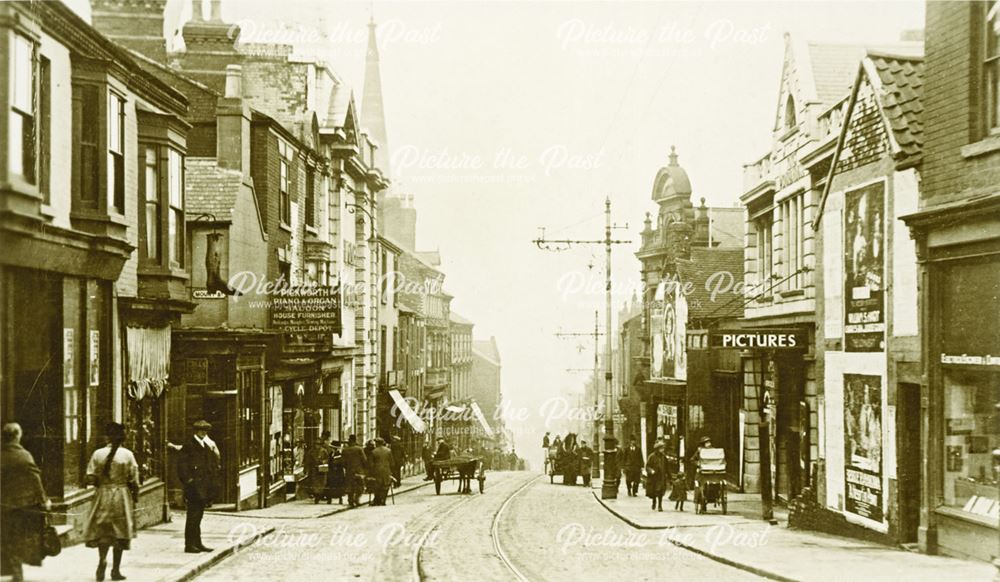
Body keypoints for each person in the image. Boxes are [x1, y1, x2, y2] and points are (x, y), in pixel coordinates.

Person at [84, 422, 140, 581]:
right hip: (121, 495)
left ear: (107, 437)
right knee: (120, 532)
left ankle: (102, 560)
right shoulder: (127, 455)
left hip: (103, 495)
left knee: (104, 530)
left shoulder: (97, 454)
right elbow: (134, 478)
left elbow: (90, 477)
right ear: (122, 437)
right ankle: (115, 570)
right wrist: (135, 495)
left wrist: (100, 482)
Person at [1, 422, 50, 582]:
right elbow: (36, 480)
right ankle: (17, 572)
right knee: (19, 538)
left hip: (3, 506)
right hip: (22, 506)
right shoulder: (24, 456)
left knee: (6, 538)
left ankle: (14, 570)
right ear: (17, 436)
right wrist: (44, 500)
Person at [177, 420, 220, 554]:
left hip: (203, 487)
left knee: (198, 516)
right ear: (196, 431)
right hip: (194, 488)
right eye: (201, 430)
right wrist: (189, 481)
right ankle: (189, 545)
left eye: (205, 431)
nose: (203, 433)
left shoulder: (205, 446)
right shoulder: (189, 446)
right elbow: (181, 467)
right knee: (192, 516)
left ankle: (197, 543)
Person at [341, 435, 367, 507]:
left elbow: (343, 462)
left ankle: (350, 500)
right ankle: (357, 499)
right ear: (355, 440)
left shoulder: (345, 450)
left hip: (349, 471)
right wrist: (365, 469)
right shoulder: (359, 449)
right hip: (359, 471)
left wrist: (346, 467)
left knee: (350, 486)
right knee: (360, 486)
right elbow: (364, 460)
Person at [645, 440, 669, 512]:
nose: (663, 450)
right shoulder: (651, 456)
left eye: (663, 448)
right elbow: (647, 466)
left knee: (660, 492)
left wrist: (669, 476)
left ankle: (660, 505)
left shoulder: (664, 457)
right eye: (661, 448)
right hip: (654, 477)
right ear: (658, 449)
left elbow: (667, 467)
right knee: (654, 492)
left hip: (661, 477)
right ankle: (654, 501)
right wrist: (651, 471)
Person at [369, 438, 394, 506]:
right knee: (385, 485)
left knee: (377, 486)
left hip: (377, 471)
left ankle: (377, 500)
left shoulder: (373, 451)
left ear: (377, 443)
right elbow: (392, 463)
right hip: (386, 471)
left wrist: (371, 472)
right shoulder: (388, 451)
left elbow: (371, 464)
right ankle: (383, 500)